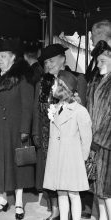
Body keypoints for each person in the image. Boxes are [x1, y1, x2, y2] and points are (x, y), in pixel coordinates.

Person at [32, 44, 87, 220]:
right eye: (45, 62)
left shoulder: (78, 78)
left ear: (63, 59)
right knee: (52, 176)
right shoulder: (43, 82)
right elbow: (36, 109)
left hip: (69, 139)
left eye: (51, 60)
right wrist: (35, 133)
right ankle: (55, 209)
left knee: (70, 179)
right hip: (48, 135)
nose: (48, 64)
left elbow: (83, 109)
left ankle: (75, 212)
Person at [0, 40, 34, 220]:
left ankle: (19, 202)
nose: (0, 60)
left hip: (15, 129)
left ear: (13, 58)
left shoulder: (22, 77)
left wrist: (25, 129)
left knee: (16, 165)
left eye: (4, 56)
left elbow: (27, 106)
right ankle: (2, 199)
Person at [43, 70, 92, 220]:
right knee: (61, 193)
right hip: (57, 159)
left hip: (72, 159)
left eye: (55, 84)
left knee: (73, 193)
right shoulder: (55, 108)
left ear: (64, 88)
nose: (52, 87)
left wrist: (82, 159)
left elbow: (86, 137)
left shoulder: (79, 111)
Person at [86, 40, 111, 220]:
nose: (98, 65)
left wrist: (99, 138)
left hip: (107, 144)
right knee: (98, 189)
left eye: (102, 60)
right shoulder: (95, 81)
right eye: (97, 61)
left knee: (108, 191)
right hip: (94, 144)